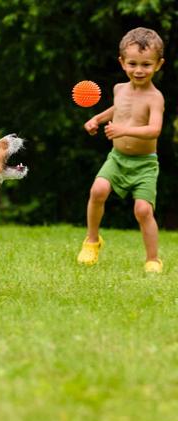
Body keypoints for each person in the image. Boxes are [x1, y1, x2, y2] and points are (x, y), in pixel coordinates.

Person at [77, 27, 165, 273]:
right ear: (122, 62)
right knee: (98, 190)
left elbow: (154, 129)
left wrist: (124, 131)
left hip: (144, 163)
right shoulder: (119, 89)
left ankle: (153, 259)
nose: (139, 70)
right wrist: (98, 119)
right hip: (117, 158)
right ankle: (92, 241)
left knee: (143, 210)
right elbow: (117, 110)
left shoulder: (155, 98)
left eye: (146, 64)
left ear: (158, 65)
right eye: (133, 63)